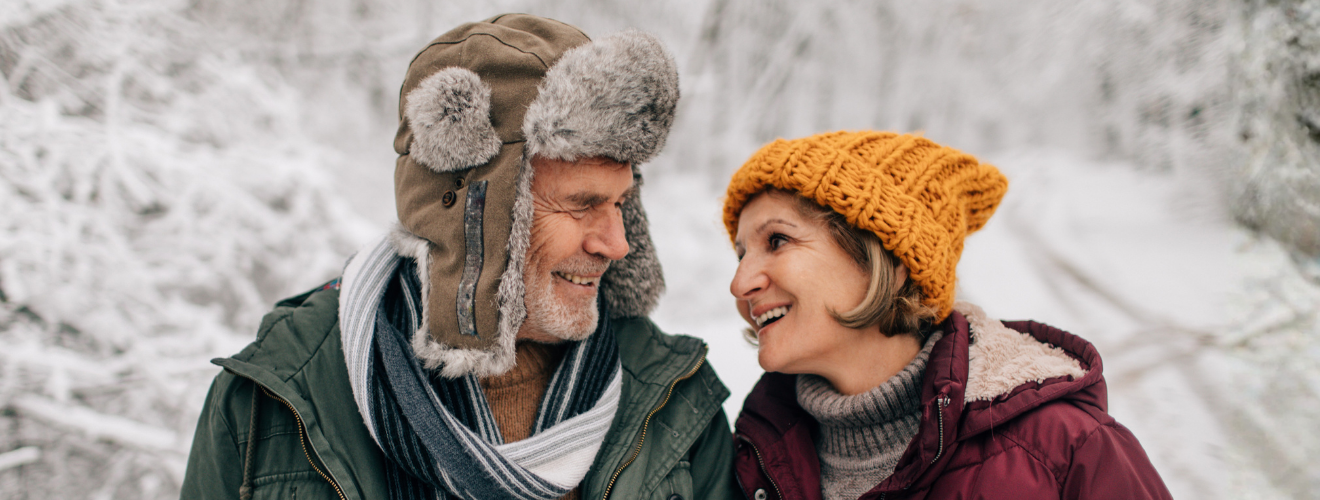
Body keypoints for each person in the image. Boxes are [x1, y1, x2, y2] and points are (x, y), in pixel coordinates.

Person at [181, 14, 737, 500]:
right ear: (475, 219)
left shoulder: (675, 403)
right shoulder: (275, 398)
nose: (617, 244)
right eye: (582, 204)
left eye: (621, 202)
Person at [723, 131, 1173, 500]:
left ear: (891, 260)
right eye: (741, 254)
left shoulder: (1064, 452)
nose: (740, 284)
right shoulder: (750, 463)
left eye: (777, 240)